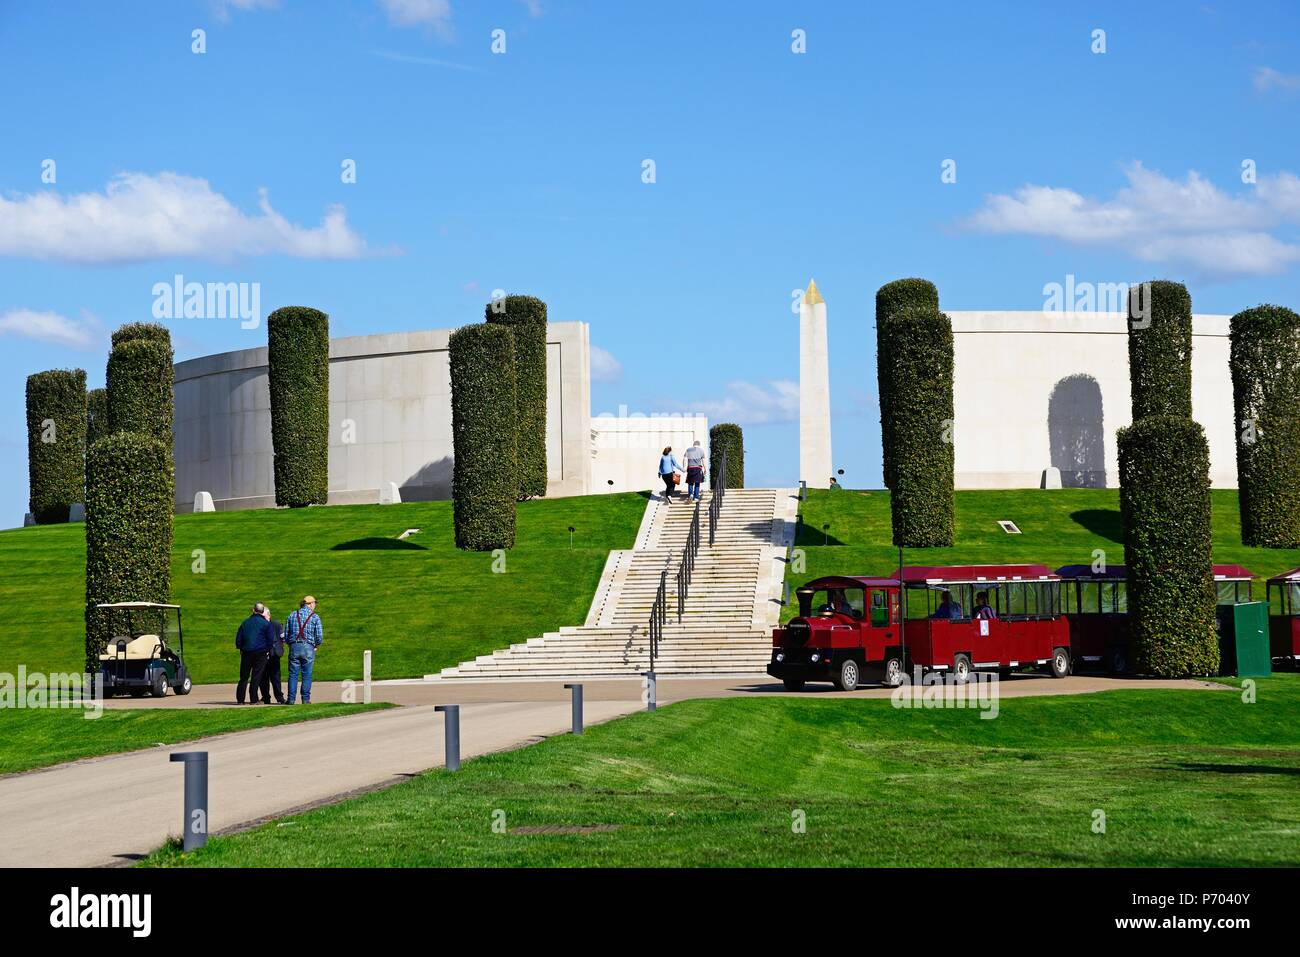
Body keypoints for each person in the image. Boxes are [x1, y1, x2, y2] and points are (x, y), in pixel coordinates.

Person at [284, 595, 323, 704]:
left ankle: (291, 699)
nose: (315, 605)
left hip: (294, 646)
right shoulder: (315, 617)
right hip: (308, 647)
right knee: (307, 674)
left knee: (293, 674)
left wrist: (291, 644)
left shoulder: (292, 615)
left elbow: (286, 634)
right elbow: (319, 636)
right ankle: (305, 699)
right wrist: (316, 645)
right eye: (314, 603)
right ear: (309, 604)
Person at [235, 602, 271, 704]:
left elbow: (238, 640)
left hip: (246, 652)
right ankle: (253, 699)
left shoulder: (245, 623)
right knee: (256, 677)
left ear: (253, 610)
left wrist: (242, 648)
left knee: (244, 677)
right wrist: (266, 650)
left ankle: (240, 699)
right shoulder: (266, 624)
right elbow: (270, 640)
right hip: (260, 653)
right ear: (262, 611)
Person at [258, 605, 286, 704]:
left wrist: (279, 647)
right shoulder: (261, 625)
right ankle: (266, 697)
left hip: (274, 654)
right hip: (263, 655)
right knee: (263, 678)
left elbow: (283, 638)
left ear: (269, 616)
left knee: (275, 677)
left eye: (263, 616)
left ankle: (279, 697)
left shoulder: (276, 625)